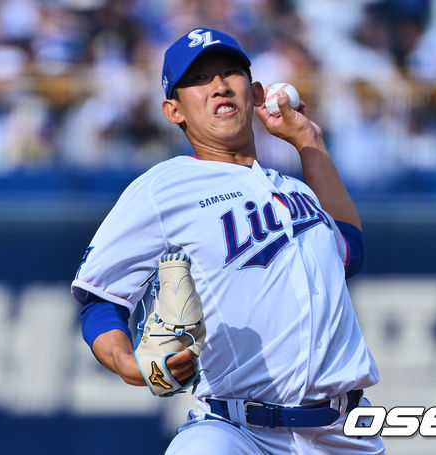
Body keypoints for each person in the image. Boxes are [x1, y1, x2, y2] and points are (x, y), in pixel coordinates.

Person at [71, 27, 384, 454]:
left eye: (230, 72)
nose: (218, 85)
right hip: (234, 431)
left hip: (343, 434)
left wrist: (308, 140)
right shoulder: (163, 188)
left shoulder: (295, 189)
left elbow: (350, 251)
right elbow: (100, 297)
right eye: (198, 79)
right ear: (173, 110)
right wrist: (129, 364)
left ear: (254, 93)